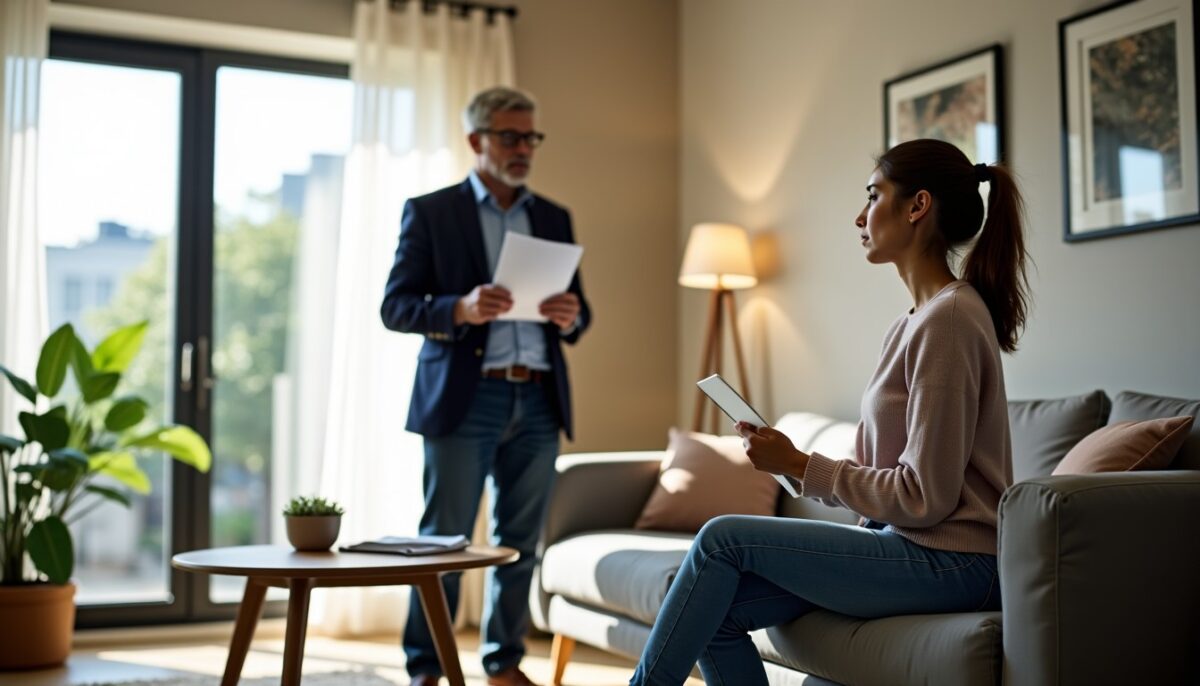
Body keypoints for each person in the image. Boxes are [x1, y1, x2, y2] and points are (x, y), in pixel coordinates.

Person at [629, 138, 1030, 685]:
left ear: (918, 206)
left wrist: (799, 464)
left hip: (959, 563)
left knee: (721, 538)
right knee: (711, 610)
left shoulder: (951, 319)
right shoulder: (912, 322)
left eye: (874, 195)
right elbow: (874, 474)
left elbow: (924, 496)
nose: (860, 216)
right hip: (910, 548)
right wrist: (787, 463)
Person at [381, 86, 591, 686]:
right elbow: (395, 307)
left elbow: (583, 314)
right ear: (477, 141)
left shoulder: (553, 216)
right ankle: (427, 667)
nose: (524, 148)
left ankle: (504, 664)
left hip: (540, 396)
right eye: (510, 137)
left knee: (520, 543)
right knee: (443, 543)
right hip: (464, 400)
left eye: (531, 137)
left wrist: (571, 315)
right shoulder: (432, 211)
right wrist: (461, 307)